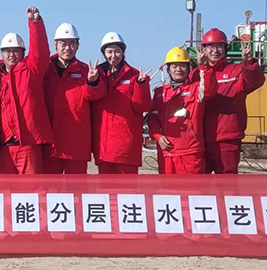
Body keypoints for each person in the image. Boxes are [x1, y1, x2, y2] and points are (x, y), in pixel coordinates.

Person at [0, 6, 54, 174]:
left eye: (16, 51)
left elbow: (40, 52)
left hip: (27, 145)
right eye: (7, 51)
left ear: (23, 53)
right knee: (5, 189)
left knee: (31, 187)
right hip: (2, 147)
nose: (11, 55)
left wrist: (35, 23)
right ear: (1, 54)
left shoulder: (32, 71)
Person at [198, 28, 266, 174]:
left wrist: (248, 63)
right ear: (204, 49)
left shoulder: (237, 70)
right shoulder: (196, 75)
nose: (215, 51)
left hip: (228, 138)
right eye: (211, 47)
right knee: (201, 183)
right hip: (200, 139)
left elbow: (255, 82)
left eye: (219, 46)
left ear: (225, 49)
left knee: (227, 182)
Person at [44, 23, 106, 174]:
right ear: (55, 45)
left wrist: (92, 82)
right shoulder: (45, 69)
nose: (68, 48)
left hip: (76, 141)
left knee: (77, 186)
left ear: (78, 45)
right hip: (50, 142)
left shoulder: (86, 71)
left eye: (72, 43)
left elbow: (96, 95)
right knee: (50, 186)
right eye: (63, 43)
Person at [147, 47, 216, 175]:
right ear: (168, 70)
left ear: (189, 69)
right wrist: (158, 137)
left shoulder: (196, 89)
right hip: (166, 154)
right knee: (167, 188)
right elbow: (152, 118)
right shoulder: (160, 92)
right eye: (174, 66)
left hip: (190, 153)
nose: (178, 69)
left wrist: (204, 67)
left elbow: (209, 89)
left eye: (183, 66)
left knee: (191, 188)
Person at [91, 32, 153, 174]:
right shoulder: (96, 73)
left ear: (123, 52)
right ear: (104, 53)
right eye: (109, 51)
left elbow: (142, 106)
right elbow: (91, 97)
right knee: (105, 186)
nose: (113, 55)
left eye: (117, 51)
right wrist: (92, 82)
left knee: (127, 187)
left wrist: (141, 85)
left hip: (127, 144)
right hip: (103, 144)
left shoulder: (134, 76)